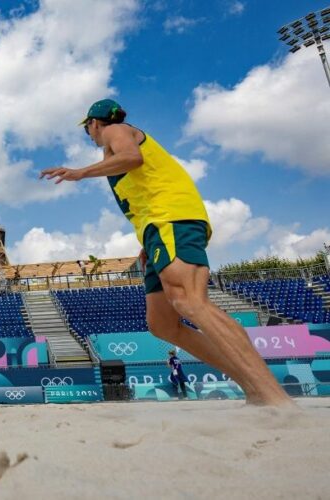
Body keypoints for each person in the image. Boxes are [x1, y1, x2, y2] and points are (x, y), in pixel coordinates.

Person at [39, 99, 293, 407]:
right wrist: (147, 243)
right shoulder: (118, 139)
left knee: (190, 302)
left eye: (87, 128)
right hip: (158, 228)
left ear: (95, 123)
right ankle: (250, 385)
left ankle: (272, 395)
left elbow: (132, 158)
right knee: (162, 324)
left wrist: (80, 173)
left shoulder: (115, 131)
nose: (89, 134)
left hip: (170, 218)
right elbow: (142, 184)